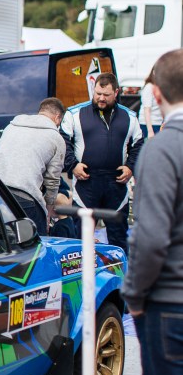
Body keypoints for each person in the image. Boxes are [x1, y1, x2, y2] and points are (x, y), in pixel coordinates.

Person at [119, 49, 183, 375]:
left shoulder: (163, 148)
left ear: (155, 93)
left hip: (170, 307)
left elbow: (151, 237)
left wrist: (134, 294)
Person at [60, 72, 142, 254]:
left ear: (116, 92)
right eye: (98, 94)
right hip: (86, 182)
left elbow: (138, 144)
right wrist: (72, 165)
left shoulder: (130, 116)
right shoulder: (74, 113)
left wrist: (130, 167)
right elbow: (63, 141)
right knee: (82, 236)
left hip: (117, 183)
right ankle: (82, 270)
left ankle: (120, 270)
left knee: (118, 237)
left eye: (106, 95)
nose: (101, 98)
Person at [0, 98, 65, 234]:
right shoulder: (56, 138)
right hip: (24, 194)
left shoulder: (11, 126)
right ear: (57, 117)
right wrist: (48, 213)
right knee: (36, 241)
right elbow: (52, 181)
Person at [139, 67, 163, 140]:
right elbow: (147, 110)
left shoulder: (160, 87)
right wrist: (150, 131)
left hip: (158, 123)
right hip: (148, 125)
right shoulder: (149, 87)